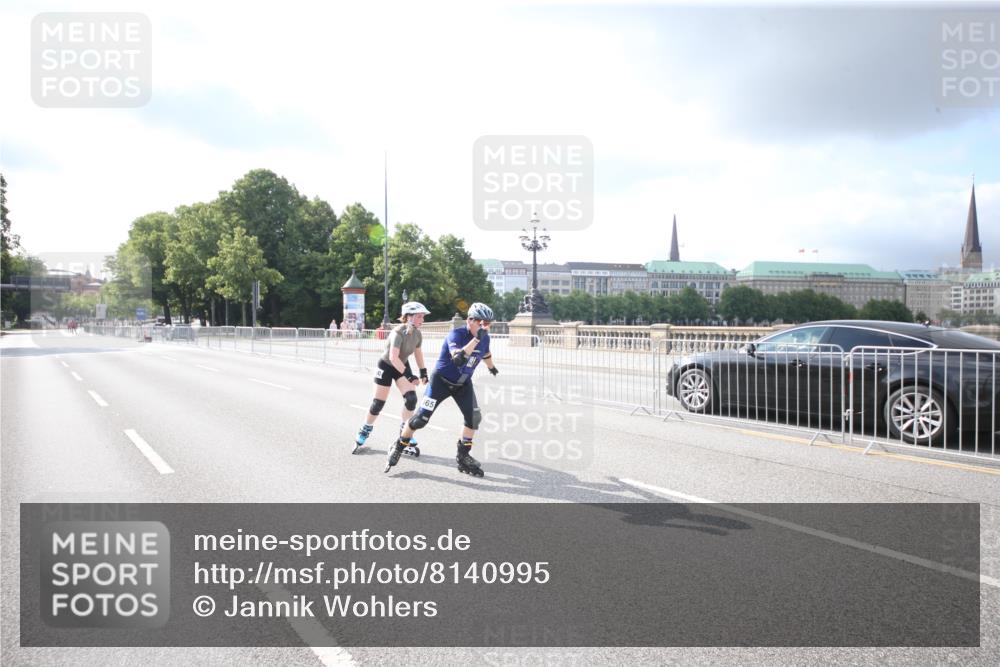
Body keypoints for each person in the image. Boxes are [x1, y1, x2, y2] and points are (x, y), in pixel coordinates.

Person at [385, 302, 498, 477]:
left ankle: (463, 455)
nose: (485, 327)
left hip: (463, 383)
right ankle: (399, 445)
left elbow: (486, 353)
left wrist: (491, 367)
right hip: (441, 382)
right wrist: (476, 339)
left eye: (488, 324)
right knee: (420, 419)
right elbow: (458, 359)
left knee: (474, 418)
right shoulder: (456, 335)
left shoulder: (485, 338)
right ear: (470, 320)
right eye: (481, 323)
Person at [353, 302, 431, 455]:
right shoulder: (397, 333)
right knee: (378, 404)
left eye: (423, 316)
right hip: (386, 366)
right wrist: (409, 376)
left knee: (411, 399)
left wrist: (423, 372)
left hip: (402, 365)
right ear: (409, 317)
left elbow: (418, 353)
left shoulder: (417, 334)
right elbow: (393, 358)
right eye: (419, 316)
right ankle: (365, 429)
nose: (422, 320)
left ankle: (405, 433)